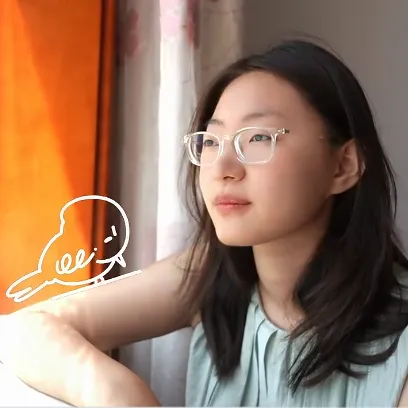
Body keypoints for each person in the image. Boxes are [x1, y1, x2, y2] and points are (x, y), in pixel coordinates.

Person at [2, 38, 408, 407]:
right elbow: (26, 329)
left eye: (258, 138)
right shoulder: (213, 275)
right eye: (211, 141)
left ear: (343, 165)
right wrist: (117, 393)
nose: (222, 167)